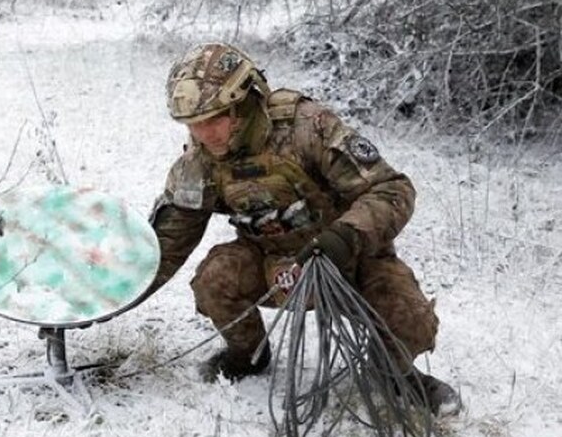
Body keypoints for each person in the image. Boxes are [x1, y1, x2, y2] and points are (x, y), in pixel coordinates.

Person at [146, 42, 460, 415]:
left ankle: (394, 374)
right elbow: (167, 243)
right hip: (272, 265)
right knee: (215, 279)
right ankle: (248, 356)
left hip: (348, 258)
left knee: (410, 320)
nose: (203, 134)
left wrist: (343, 238)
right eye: (193, 125)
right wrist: (103, 299)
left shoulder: (307, 128)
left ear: (244, 104)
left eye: (214, 119)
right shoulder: (198, 163)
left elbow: (392, 189)